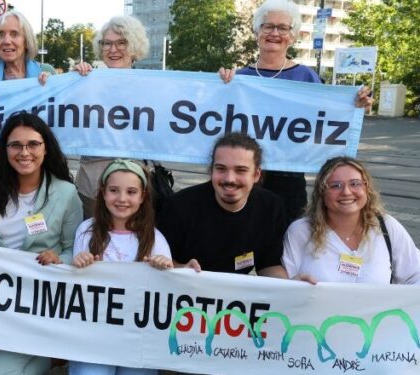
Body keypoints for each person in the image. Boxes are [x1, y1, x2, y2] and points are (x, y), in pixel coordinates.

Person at [218, 0, 373, 224]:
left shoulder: (307, 78)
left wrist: (356, 106)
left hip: (288, 179)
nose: (274, 33)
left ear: (293, 36)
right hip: (245, 176)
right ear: (257, 32)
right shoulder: (238, 78)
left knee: (285, 238)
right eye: (267, 26)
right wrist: (221, 88)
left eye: (283, 28)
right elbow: (216, 118)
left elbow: (329, 118)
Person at [0, 112, 82, 374]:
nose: (24, 152)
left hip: (34, 303)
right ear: (5, 150)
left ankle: (46, 353)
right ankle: (44, 358)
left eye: (33, 144)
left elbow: (75, 248)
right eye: (16, 145)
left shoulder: (66, 193)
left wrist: (61, 259)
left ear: (46, 148)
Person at [70, 159, 198, 375]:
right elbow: (76, 286)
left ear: (143, 196)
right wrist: (81, 263)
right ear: (102, 192)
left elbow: (167, 292)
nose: (122, 199)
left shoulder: (155, 239)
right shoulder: (86, 231)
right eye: (114, 190)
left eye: (131, 192)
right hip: (95, 337)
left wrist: (170, 268)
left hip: (138, 339)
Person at [158, 132, 294, 278]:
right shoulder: (179, 206)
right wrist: (182, 269)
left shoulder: (271, 207)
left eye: (240, 170)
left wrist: (296, 287)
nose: (230, 179)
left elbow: (269, 265)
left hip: (235, 297)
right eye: (221, 169)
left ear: (256, 175)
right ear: (211, 171)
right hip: (185, 291)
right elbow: (158, 260)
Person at [283, 156, 420, 284]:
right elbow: (285, 287)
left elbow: (415, 274)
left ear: (367, 189)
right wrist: (294, 286)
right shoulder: (300, 231)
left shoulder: (386, 227)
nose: (347, 192)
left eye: (355, 184)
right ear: (321, 193)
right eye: (336, 185)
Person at [72, 16, 150, 218]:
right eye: (107, 43)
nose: (113, 49)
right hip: (91, 189)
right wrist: (70, 81)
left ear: (134, 46)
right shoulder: (85, 82)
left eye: (121, 42)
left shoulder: (152, 87)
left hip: (133, 190)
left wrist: (224, 84)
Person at [0, 10, 54, 88]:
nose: (6, 41)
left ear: (26, 41)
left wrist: (52, 84)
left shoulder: (47, 71)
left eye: (14, 34)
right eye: (1, 34)